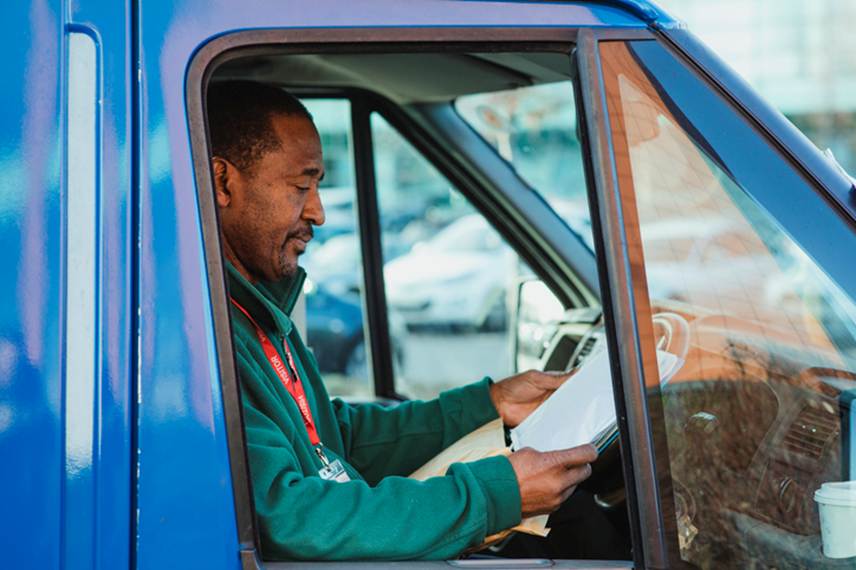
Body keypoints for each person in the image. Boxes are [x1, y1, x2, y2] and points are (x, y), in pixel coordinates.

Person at [207, 80, 597, 561]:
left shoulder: (258, 316)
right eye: (300, 186)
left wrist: (488, 404)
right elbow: (291, 515)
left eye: (318, 187)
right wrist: (495, 493)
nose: (319, 211)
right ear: (223, 182)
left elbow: (334, 437)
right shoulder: (206, 341)